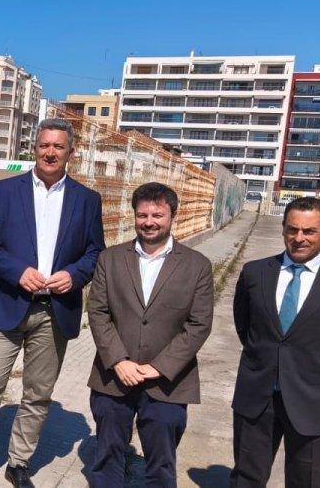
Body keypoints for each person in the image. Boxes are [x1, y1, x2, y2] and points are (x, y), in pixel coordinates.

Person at [0, 118, 106, 488]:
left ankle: (18, 462)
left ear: (71, 151)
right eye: (43, 146)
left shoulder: (87, 200)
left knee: (38, 393)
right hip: (7, 303)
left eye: (58, 146)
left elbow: (95, 251)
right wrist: (17, 271)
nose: (50, 152)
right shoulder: (5, 192)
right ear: (34, 149)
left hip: (55, 310)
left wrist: (75, 274)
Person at [230, 197, 320, 488]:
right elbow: (245, 328)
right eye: (291, 229)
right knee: (246, 478)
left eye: (309, 231)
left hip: (315, 402)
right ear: (283, 229)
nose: (298, 238)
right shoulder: (254, 274)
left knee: (306, 481)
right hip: (257, 396)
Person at [85, 182, 214, 487]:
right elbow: (98, 312)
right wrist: (118, 361)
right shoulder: (111, 259)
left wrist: (159, 366)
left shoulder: (197, 266)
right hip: (114, 377)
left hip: (168, 381)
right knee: (107, 454)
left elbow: (199, 324)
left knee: (161, 459)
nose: (149, 222)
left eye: (157, 214)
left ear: (173, 217)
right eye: (142, 214)